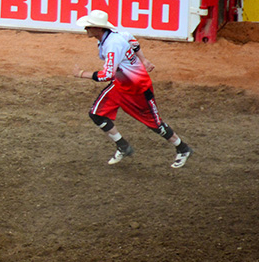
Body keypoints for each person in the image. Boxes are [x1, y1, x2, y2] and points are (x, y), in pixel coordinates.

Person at [72, 10, 192, 168]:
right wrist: (144, 60)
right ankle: (123, 146)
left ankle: (183, 148)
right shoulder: (114, 36)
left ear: (99, 29)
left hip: (137, 88)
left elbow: (107, 74)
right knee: (96, 114)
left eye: (89, 26)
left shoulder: (112, 44)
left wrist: (82, 74)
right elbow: (132, 40)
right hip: (121, 84)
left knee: (154, 123)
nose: (86, 29)